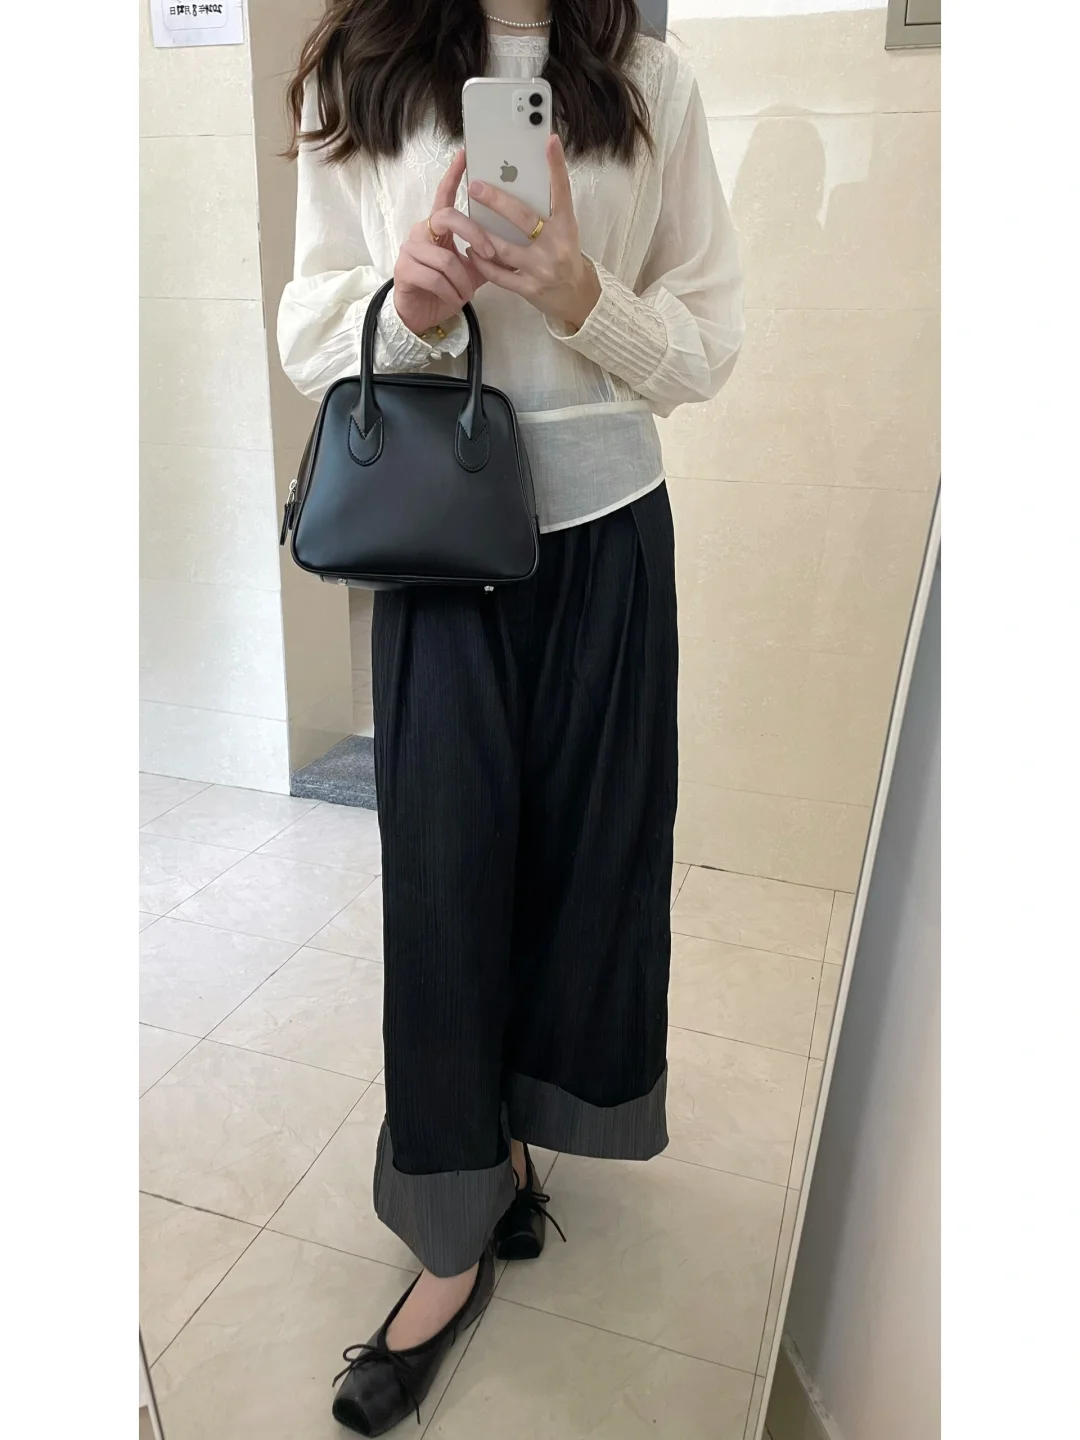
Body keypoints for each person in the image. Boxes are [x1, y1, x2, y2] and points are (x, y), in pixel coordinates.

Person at [279, 1, 743, 1432]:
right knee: (444, 886)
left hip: (610, 535)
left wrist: (583, 293)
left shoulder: (647, 77)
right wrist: (408, 307)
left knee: (592, 868)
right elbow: (307, 330)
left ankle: (522, 1150)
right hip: (442, 535)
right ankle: (447, 1241)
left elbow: (709, 346)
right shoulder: (363, 65)